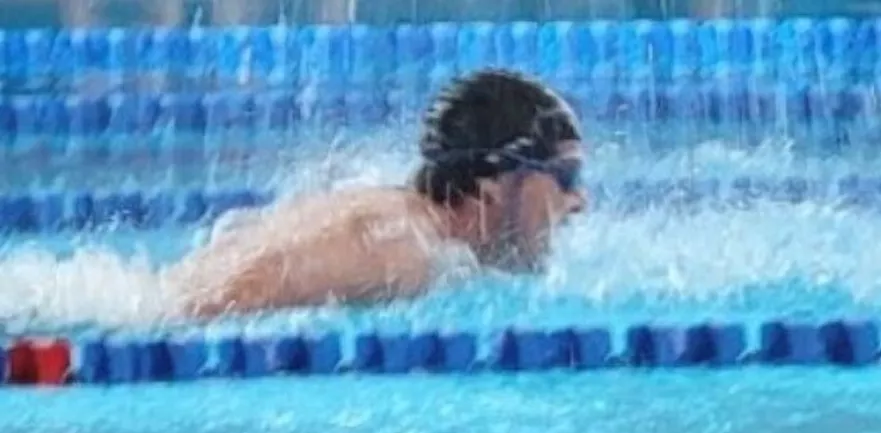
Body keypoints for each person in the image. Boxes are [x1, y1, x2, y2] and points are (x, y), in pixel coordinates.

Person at [166, 68, 588, 319]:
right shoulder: (401, 247)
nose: (578, 201)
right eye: (566, 178)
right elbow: (202, 305)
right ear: (491, 184)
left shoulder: (421, 231)